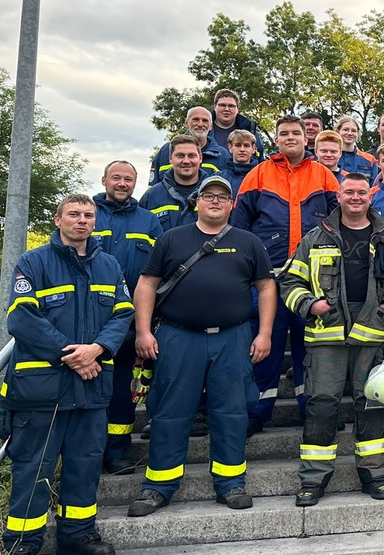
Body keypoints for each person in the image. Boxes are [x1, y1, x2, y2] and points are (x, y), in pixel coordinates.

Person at [127, 176, 274, 518]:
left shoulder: (248, 242)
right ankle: (158, 487)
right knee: (170, 411)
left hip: (232, 337)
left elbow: (266, 288)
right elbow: (146, 285)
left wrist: (264, 333)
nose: (215, 201)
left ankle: (230, 483)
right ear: (197, 201)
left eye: (223, 197)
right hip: (179, 337)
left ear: (232, 204)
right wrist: (143, 331)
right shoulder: (171, 239)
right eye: (208, 195)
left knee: (231, 412)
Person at [1, 195, 133, 555]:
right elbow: (22, 318)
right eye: (74, 214)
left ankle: (78, 536)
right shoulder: (33, 262)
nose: (82, 220)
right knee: (33, 468)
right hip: (43, 390)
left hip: (91, 387)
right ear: (58, 220)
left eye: (88, 215)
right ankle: (23, 543)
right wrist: (72, 355)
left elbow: (123, 315)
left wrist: (98, 349)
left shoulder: (109, 265)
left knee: (85, 465)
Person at [280, 173, 384, 506]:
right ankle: (313, 479)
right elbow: (289, 282)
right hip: (326, 335)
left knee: (371, 405)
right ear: (338, 196)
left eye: (361, 192)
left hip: (372, 334)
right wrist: (311, 304)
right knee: (322, 406)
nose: (355, 197)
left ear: (370, 197)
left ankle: (375, 474)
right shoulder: (315, 238)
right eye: (349, 192)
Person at [233, 115, 340, 432]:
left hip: (314, 283)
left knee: (312, 351)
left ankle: (312, 411)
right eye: (284, 133)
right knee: (265, 348)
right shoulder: (257, 175)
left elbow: (340, 224)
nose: (290, 137)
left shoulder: (323, 176)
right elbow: (239, 228)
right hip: (269, 283)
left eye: (296, 132)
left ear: (306, 139)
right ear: (275, 139)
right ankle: (256, 412)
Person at [93, 161, 163, 476]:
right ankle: (87, 451)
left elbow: (160, 270)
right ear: (105, 179)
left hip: (131, 321)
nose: (122, 183)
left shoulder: (148, 221)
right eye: (117, 178)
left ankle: (116, 452)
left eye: (128, 179)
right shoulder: (87, 214)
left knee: (122, 389)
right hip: (89, 319)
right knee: (88, 387)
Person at [141, 134, 216, 231]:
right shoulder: (151, 197)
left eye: (191, 156)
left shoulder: (215, 194)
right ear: (170, 158)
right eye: (180, 156)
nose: (186, 161)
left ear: (200, 158)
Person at [148, 106, 228, 185]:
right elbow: (152, 188)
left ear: (210, 126)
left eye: (205, 121)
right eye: (195, 119)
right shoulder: (166, 150)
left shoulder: (222, 155)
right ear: (186, 123)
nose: (200, 124)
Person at [209, 88, 265, 161]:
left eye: (231, 106)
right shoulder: (200, 130)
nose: (226, 109)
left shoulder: (250, 131)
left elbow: (260, 160)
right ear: (215, 107)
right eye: (222, 105)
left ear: (237, 109)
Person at [219, 130, 261, 195]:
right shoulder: (219, 177)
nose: (242, 149)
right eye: (238, 145)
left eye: (246, 146)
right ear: (230, 148)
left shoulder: (261, 177)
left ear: (253, 148)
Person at [336, 116, 377, 180]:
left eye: (353, 131)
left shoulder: (369, 160)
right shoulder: (330, 157)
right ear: (338, 131)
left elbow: (374, 186)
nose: (349, 133)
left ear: (358, 133)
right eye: (345, 129)